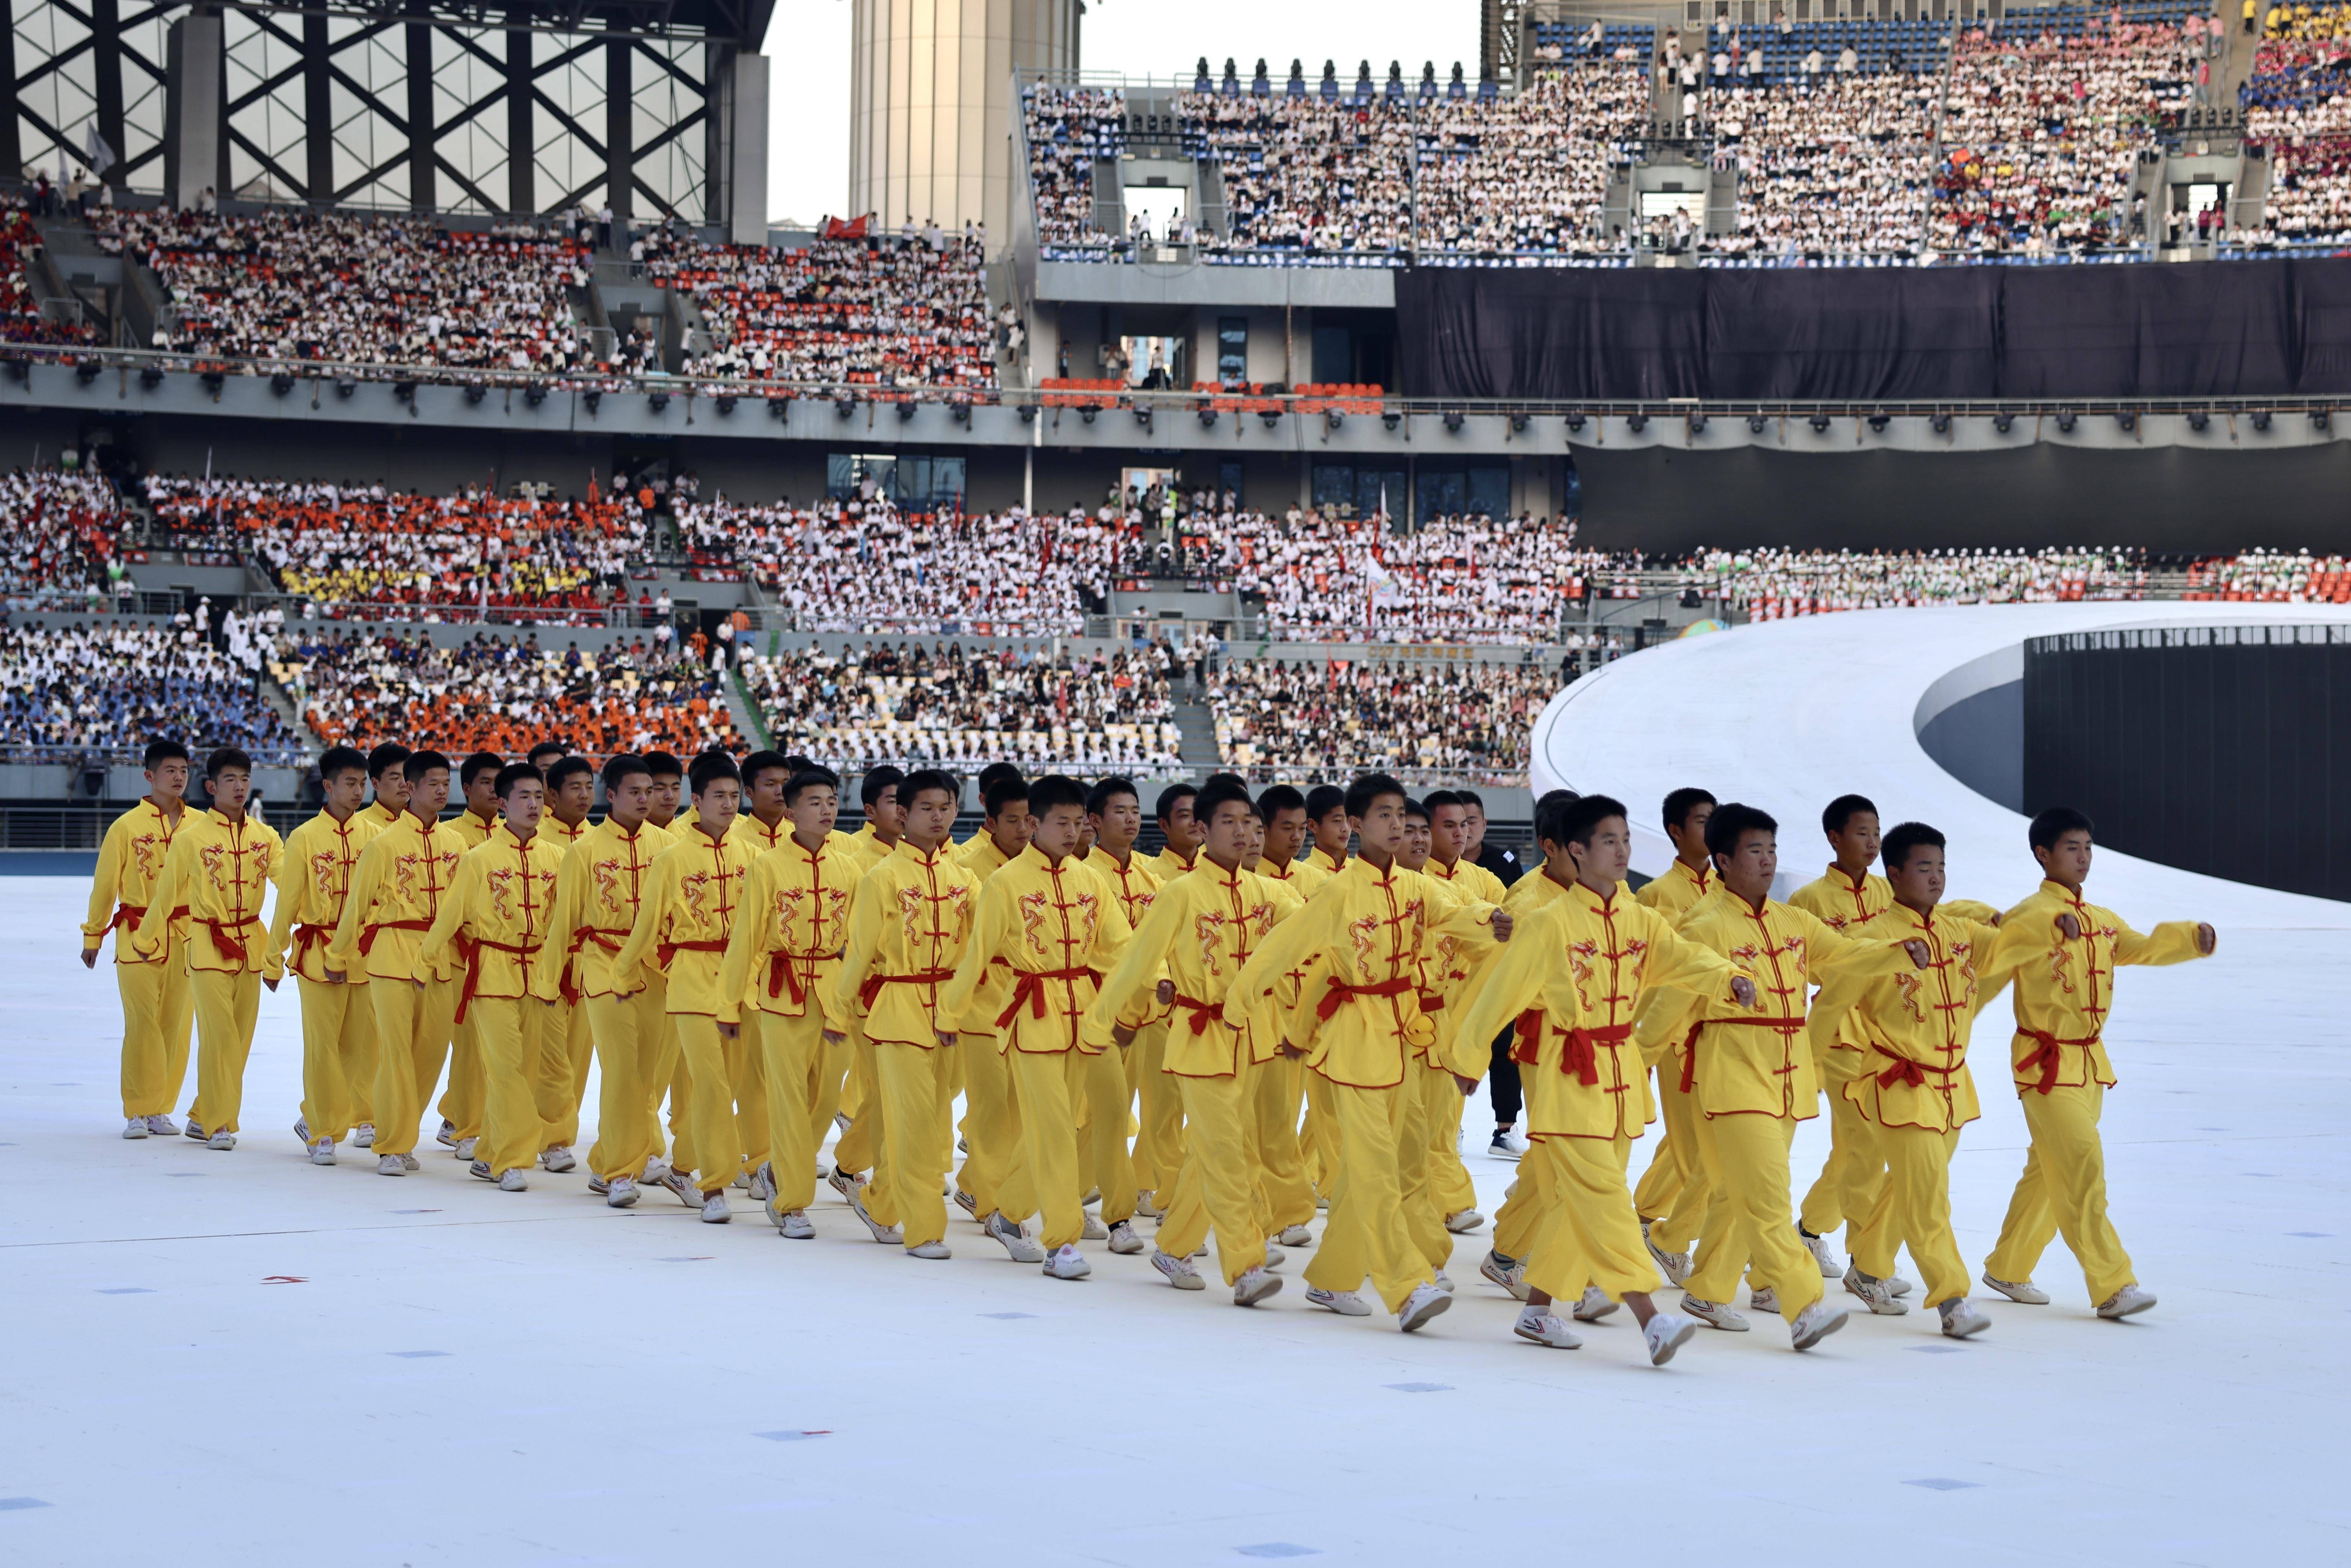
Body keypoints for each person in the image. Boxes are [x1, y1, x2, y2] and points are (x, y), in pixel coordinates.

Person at [1226, 774, 1510, 1333]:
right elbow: (1280, 950)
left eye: (1400, 813)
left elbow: (1458, 914)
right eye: (1383, 814)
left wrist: (1493, 922)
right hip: (1353, 1041)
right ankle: (1405, 1286)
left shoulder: (1415, 887)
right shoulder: (1337, 892)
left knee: (1394, 1166)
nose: (1397, 824)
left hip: (1404, 1037)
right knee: (1377, 1168)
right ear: (1356, 825)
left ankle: (1332, 1277)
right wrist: (1239, 1003)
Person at [1471, 795, 1754, 1345]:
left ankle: (1536, 1308)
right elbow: (1495, 999)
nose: (1622, 850)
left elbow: (1683, 957)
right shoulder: (1547, 920)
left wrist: (1728, 976)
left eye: (1625, 839)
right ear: (1575, 850)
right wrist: (1463, 1061)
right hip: (1565, 1073)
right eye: (1608, 840)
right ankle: (1650, 1316)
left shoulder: (1639, 918)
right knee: (1602, 1194)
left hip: (1620, 1076)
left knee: (1577, 1197)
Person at [1667, 803, 1927, 1351]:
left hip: (1786, 1075)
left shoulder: (1791, 921)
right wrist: (1628, 1054)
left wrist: (1894, 952)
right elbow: (1669, 1001)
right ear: (1723, 860)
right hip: (1733, 1074)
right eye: (1754, 851)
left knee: (1743, 1191)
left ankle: (1708, 1290)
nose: (1767, 860)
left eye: (1772, 850)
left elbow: (1846, 957)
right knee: (1768, 1196)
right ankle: (1802, 1302)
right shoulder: (1704, 924)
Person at [1979, 807, 2215, 1320]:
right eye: (2071, 848)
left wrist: (2187, 938)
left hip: (2088, 1064)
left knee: (2048, 1170)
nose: (2083, 857)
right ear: (2043, 854)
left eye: (2088, 847)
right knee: (2082, 1164)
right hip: (2043, 1064)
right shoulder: (2028, 914)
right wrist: (2046, 933)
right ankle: (2113, 1283)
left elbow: (2138, 947)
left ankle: (2008, 1265)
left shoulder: (2102, 920)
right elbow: (1995, 962)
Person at [1813, 822, 2042, 1338]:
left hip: (1951, 1087)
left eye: (1941, 867)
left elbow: (2011, 943)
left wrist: (2041, 923)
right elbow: (1827, 1010)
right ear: (1893, 874)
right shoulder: (1869, 940)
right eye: (1924, 867)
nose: (1936, 877)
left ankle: (1867, 1268)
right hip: (1899, 1083)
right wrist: (1802, 1072)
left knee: (1912, 1188)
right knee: (1930, 1197)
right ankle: (1951, 1298)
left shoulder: (1958, 934)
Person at [1085, 778, 1290, 1306]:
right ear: (1201, 830)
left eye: (1249, 822)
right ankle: (1244, 1263)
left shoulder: (1266, 890)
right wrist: (1101, 1020)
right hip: (1200, 1036)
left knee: (1215, 1150)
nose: (1244, 832)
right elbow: (1134, 960)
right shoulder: (1178, 893)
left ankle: (1174, 1246)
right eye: (1229, 822)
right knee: (1226, 1152)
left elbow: (1312, 926)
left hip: (1254, 1037)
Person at [941, 775, 1136, 1281]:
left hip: (1085, 1017)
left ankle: (1006, 1213)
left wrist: (1155, 980)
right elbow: (977, 956)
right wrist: (949, 1013)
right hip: (1032, 1017)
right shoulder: (1005, 883)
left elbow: (1120, 945)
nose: (1072, 833)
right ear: (1034, 824)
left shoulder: (1090, 880)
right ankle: (1061, 1241)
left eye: (1078, 823)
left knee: (1056, 1130)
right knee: (1052, 1129)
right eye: (1061, 822)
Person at [831, 769, 988, 1259]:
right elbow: (857, 954)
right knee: (914, 1123)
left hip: (950, 1009)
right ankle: (924, 1228)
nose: (938, 816)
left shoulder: (965, 878)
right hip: (898, 1008)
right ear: (903, 814)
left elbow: (984, 947)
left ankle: (881, 1204)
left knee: (935, 1116)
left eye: (946, 807)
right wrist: (838, 1012)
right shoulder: (882, 877)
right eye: (927, 808)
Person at [717, 766, 863, 1239]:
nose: (826, 810)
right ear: (792, 809)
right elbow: (745, 939)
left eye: (832, 801)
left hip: (835, 990)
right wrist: (729, 1002)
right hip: (782, 991)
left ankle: (780, 1170)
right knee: (787, 1098)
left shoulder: (849, 867)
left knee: (824, 1100)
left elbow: (860, 939)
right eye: (815, 802)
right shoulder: (767, 865)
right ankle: (792, 1202)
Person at [612, 750, 758, 1221]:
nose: (729, 804)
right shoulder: (672, 857)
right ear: (696, 800)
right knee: (710, 1083)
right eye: (719, 796)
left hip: (742, 982)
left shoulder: (752, 856)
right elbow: (647, 924)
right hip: (692, 981)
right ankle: (714, 1186)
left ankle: (684, 1166)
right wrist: (623, 970)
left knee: (728, 1085)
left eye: (735, 796)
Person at [419, 762, 566, 1192]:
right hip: (492, 974)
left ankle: (488, 1152)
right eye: (524, 796)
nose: (534, 804)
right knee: (504, 1071)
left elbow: (564, 920)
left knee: (527, 1069)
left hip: (538, 974)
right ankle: (511, 1159)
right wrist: (423, 963)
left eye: (539, 796)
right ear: (502, 804)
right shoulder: (478, 858)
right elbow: (449, 917)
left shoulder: (557, 858)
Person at [326, 750, 466, 1175]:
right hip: (391, 957)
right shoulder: (383, 844)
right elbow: (356, 905)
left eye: (447, 783)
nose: (442, 790)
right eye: (433, 783)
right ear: (411, 786)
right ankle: (392, 1143)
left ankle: (403, 1129)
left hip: (441, 958)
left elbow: (463, 906)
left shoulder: (456, 844)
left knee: (431, 1054)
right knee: (396, 1054)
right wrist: (338, 953)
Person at [132, 748, 277, 1151]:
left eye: (245, 779)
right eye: (230, 779)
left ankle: (201, 1114)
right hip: (207, 945)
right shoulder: (191, 839)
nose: (240, 786)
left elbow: (293, 881)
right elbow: (164, 897)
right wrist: (144, 938)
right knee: (219, 1037)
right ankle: (219, 1122)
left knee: (241, 1040)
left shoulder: (266, 838)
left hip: (251, 944)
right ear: (212, 786)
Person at [551, 755, 673, 1208]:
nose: (646, 799)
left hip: (656, 969)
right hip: (602, 963)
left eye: (652, 791)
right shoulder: (583, 850)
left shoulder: (668, 844)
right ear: (613, 795)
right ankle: (623, 1172)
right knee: (621, 1068)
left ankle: (606, 1158)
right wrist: (549, 982)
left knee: (645, 1074)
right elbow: (562, 923)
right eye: (636, 792)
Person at [265, 745, 383, 1165]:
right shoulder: (304, 837)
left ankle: (311, 1115)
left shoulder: (374, 836)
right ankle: (323, 1130)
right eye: (349, 783)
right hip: (318, 951)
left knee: (360, 1049)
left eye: (362, 783)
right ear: (328, 785)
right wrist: (272, 955)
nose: (357, 791)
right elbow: (288, 900)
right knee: (322, 1047)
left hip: (364, 956)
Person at [82, 739, 197, 1139]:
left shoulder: (201, 824)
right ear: (149, 776)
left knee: (177, 1025)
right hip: (136, 934)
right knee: (142, 1023)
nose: (179, 777)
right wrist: (93, 934)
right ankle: (137, 1108)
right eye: (170, 770)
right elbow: (105, 886)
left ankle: (160, 1108)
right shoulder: (126, 827)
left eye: (183, 770)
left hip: (186, 937)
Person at [1629, 785, 1719, 1280]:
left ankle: (1647, 1217)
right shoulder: (1657, 895)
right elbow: (1656, 972)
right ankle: (1681, 1239)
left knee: (1693, 1142)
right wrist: (1641, 1044)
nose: (1711, 828)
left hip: (1729, 1036)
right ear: (1676, 831)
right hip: (1679, 1036)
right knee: (1698, 1150)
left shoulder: (1729, 888)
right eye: (1701, 820)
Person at [1083, 775, 1175, 1218]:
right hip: (1101, 1008)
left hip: (1150, 1009)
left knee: (1157, 1104)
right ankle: (1081, 1188)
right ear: (1095, 821)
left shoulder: (1150, 875)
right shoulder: (1084, 874)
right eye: (1119, 811)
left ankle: (1150, 1188)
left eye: (1135, 810)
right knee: (1097, 1110)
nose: (1130, 819)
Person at [1152, 781, 1203, 880]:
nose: (1195, 823)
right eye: (1185, 816)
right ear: (1165, 825)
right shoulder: (1148, 875)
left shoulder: (1218, 870)